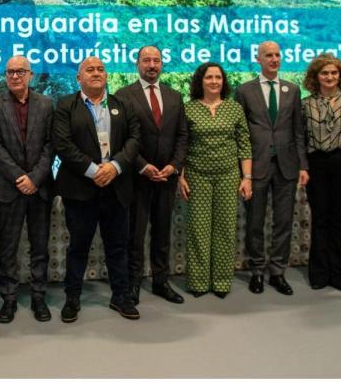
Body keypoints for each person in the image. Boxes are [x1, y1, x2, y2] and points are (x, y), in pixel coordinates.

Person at [53, 56, 141, 322]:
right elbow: (63, 144)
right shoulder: (66, 105)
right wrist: (94, 170)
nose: (96, 73)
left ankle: (121, 297)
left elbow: (135, 139)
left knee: (117, 246)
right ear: (78, 78)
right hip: (81, 190)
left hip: (117, 188)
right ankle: (72, 298)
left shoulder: (122, 104)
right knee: (78, 247)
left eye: (101, 69)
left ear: (107, 76)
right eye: (89, 70)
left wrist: (114, 167)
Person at [114, 46, 189, 304]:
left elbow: (182, 136)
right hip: (137, 179)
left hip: (167, 178)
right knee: (135, 234)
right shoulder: (123, 96)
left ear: (162, 64)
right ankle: (133, 283)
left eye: (156, 60)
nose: (152, 65)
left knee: (162, 232)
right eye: (146, 60)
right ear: (137, 64)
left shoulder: (175, 96)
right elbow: (121, 139)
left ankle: (160, 281)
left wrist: (175, 165)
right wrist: (143, 166)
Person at [233, 41, 308, 296]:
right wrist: (241, 172)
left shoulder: (292, 90)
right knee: (255, 222)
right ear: (259, 59)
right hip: (256, 167)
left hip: (287, 167)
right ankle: (256, 271)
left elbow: (299, 131)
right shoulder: (244, 91)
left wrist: (303, 165)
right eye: (269, 55)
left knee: (283, 222)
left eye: (277, 55)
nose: (274, 59)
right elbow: (239, 133)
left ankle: (277, 272)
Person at [0, 56, 55, 323]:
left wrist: (34, 178)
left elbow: (51, 145)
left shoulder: (47, 104)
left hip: (40, 188)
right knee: (8, 247)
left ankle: (39, 297)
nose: (15, 76)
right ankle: (9, 299)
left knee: (40, 247)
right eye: (10, 72)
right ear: (5, 75)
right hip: (9, 188)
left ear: (30, 75)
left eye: (20, 72)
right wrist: (19, 177)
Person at [178, 62, 252, 298]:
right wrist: (180, 176)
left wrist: (247, 177)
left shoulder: (234, 109)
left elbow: (244, 145)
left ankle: (221, 281)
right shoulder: (188, 109)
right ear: (200, 81)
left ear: (223, 81)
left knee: (225, 229)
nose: (213, 81)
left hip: (228, 177)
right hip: (197, 176)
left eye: (218, 77)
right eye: (209, 77)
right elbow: (181, 145)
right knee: (198, 231)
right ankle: (198, 282)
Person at [301, 54, 341, 292]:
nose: (330, 77)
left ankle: (339, 276)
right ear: (315, 77)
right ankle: (319, 274)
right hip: (316, 164)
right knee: (320, 218)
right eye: (324, 73)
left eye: (334, 73)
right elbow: (301, 136)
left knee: (339, 219)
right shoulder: (306, 104)